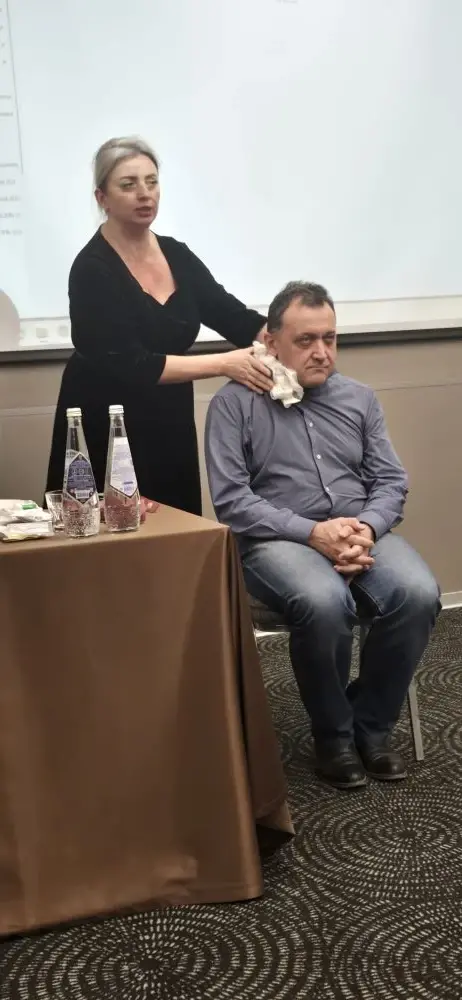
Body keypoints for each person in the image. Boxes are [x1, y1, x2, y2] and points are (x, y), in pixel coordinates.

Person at [205, 281, 440, 790]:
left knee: (418, 593)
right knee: (324, 601)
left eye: (330, 338)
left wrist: (366, 528)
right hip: (276, 540)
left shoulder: (359, 399)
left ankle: (370, 728)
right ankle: (333, 738)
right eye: (306, 339)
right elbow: (232, 500)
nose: (321, 352)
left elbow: (390, 480)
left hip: (360, 530)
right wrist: (313, 532)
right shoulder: (233, 404)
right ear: (270, 342)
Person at [45, 137, 272, 513]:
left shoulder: (176, 253)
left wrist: (285, 336)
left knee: (177, 522)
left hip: (169, 416)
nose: (144, 194)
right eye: (128, 184)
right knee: (120, 531)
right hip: (107, 419)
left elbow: (231, 315)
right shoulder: (91, 269)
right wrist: (224, 363)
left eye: (151, 182)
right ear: (102, 198)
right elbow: (131, 364)